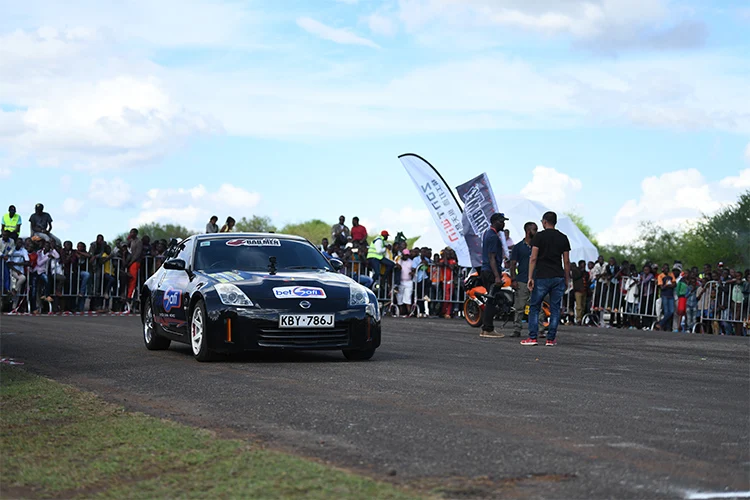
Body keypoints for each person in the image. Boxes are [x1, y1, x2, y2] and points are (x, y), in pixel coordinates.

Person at [521, 211, 571, 346]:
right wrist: (567, 278)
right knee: (555, 308)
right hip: (558, 276)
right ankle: (550, 339)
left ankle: (532, 337)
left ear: (544, 222)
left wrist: (530, 277)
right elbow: (566, 261)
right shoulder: (563, 238)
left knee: (535, 307)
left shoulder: (539, 237)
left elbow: (533, 258)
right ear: (555, 222)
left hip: (542, 276)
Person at [509, 221, 543, 337]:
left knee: (538, 306)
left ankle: (540, 329)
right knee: (519, 306)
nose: (536, 232)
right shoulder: (518, 247)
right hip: (522, 280)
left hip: (536, 280)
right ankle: (517, 329)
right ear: (528, 231)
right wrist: (513, 279)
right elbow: (513, 264)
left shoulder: (538, 247)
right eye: (534, 229)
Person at [479, 213, 510, 338]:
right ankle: (488, 329)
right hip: (490, 271)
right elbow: (492, 258)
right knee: (492, 300)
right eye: (502, 221)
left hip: (487, 270)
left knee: (491, 300)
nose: (504, 224)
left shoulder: (488, 234)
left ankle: (486, 328)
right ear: (496, 221)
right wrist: (497, 276)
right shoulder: (492, 237)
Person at [412, 247, 433, 318]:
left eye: (425, 252)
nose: (424, 253)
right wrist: (420, 264)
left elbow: (428, 268)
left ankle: (426, 295)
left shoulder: (427, 259)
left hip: (424, 277)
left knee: (427, 285)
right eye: (423, 252)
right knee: (419, 295)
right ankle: (419, 311)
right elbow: (414, 269)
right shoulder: (416, 259)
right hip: (418, 279)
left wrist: (426, 264)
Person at [126, 228, 143, 312]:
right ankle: (128, 296)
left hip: (135, 262)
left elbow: (137, 253)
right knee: (129, 280)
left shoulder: (138, 242)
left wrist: (131, 261)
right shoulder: (131, 241)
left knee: (133, 280)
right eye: (130, 232)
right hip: (130, 262)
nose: (131, 234)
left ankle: (130, 296)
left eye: (133, 232)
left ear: (136, 233)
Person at [571, 259, 588, 325]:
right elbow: (576, 277)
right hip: (578, 290)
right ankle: (578, 319)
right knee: (579, 306)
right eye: (583, 264)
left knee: (583, 305)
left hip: (584, 290)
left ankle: (582, 318)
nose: (584, 266)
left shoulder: (585, 272)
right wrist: (581, 271)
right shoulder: (576, 271)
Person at [397, 250, 414, 315]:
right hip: (400, 281)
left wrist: (412, 272)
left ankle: (409, 312)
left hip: (408, 281)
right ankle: (400, 312)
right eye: (405, 255)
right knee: (399, 297)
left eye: (407, 255)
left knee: (408, 296)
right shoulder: (399, 261)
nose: (406, 256)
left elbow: (414, 269)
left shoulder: (411, 261)